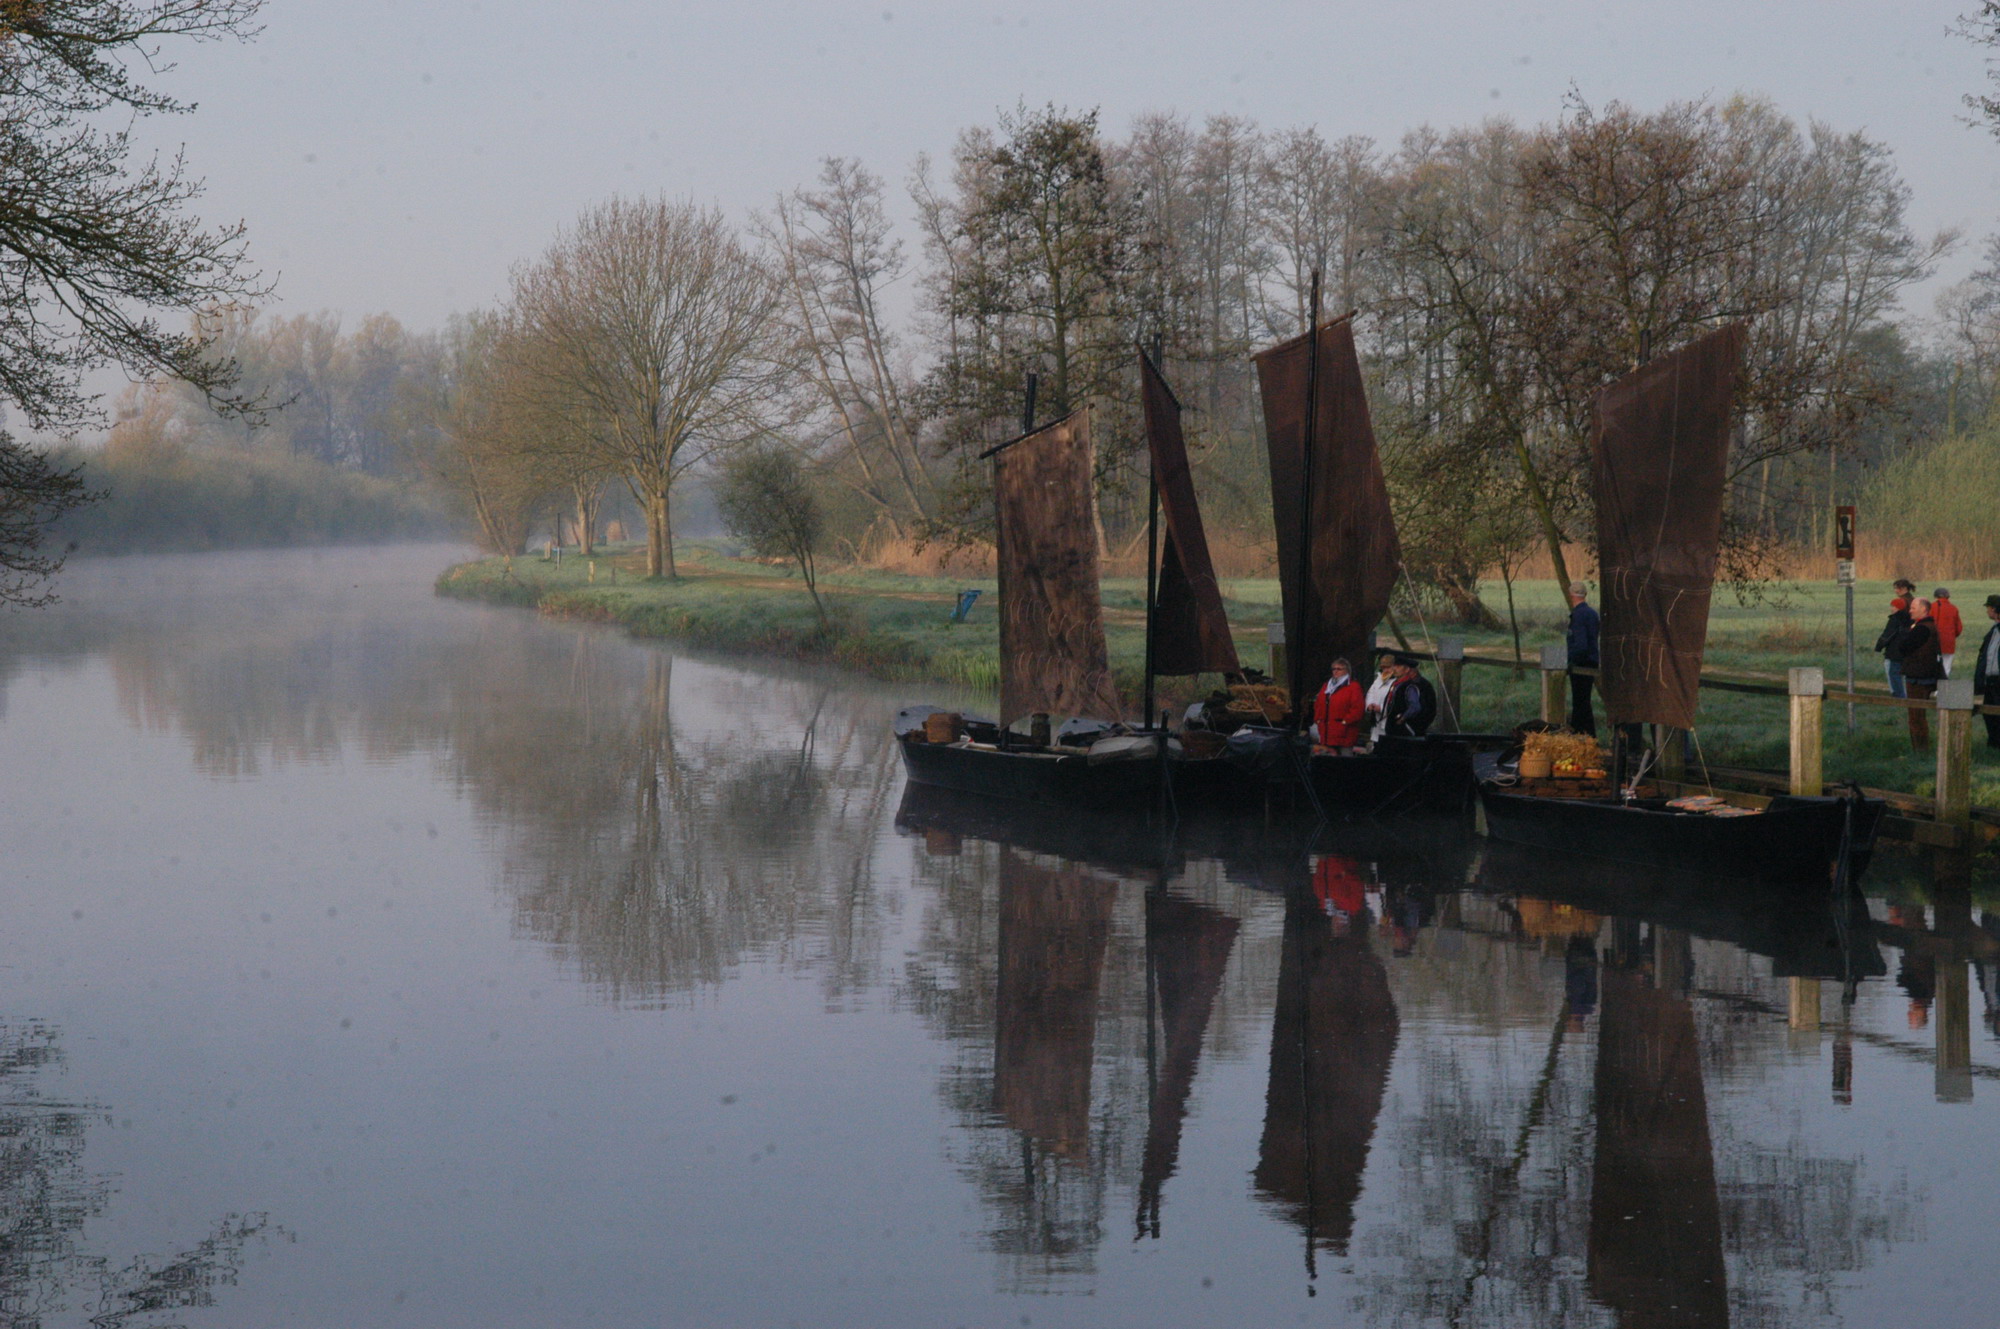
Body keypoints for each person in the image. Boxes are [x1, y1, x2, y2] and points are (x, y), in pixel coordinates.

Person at [1900, 596, 1943, 750]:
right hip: (1925, 675)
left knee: (1915, 716)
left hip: (1918, 677)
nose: (1910, 610)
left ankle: (1920, 749)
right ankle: (1920, 748)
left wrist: (1906, 633)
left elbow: (1904, 647)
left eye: (1913, 607)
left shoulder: (1922, 628)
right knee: (1917, 716)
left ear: (1923, 609)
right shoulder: (1929, 626)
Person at [1565, 581, 1600, 736]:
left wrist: (1570, 662)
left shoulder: (1578, 615)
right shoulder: (1593, 613)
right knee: (1584, 702)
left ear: (1572, 595)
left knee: (1579, 703)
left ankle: (1582, 736)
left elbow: (1580, 645)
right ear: (1585, 595)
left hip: (1581, 664)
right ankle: (1587, 737)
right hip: (1592, 661)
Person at [1310, 657, 1366, 752]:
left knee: (1345, 760)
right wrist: (1318, 719)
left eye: (1339, 669)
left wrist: (1345, 721)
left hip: (1345, 732)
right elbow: (1318, 704)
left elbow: (1357, 709)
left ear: (1347, 671)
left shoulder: (1353, 687)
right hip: (1326, 732)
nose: (1335, 671)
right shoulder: (1326, 686)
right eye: (1334, 669)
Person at [1384, 654, 1437, 738]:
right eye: (1394, 666)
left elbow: (1416, 707)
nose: (1394, 669)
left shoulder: (1412, 686)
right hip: (1393, 728)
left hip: (1405, 728)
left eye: (1398, 666)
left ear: (1407, 670)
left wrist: (1402, 719)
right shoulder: (1397, 684)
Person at [1875, 588, 1913, 699]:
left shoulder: (1895, 619)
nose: (1891, 608)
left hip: (1894, 652)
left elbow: (1887, 635)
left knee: (1894, 675)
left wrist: (1879, 646)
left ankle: (1899, 696)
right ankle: (1908, 695)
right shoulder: (1910, 619)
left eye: (1893, 606)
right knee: (1905, 675)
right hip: (1906, 651)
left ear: (1897, 608)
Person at [1973, 594, 2000, 749]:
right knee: (1989, 715)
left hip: (1998, 680)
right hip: (1990, 681)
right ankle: (1994, 746)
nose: (1987, 611)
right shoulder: (1994, 630)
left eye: (1988, 608)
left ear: (1995, 609)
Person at [1362, 649, 1397, 744]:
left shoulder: (1397, 682)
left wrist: (1381, 707)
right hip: (1376, 723)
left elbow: (1395, 701)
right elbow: (1370, 693)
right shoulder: (1378, 680)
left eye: (1388, 667)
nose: (1385, 670)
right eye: (1383, 667)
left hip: (1388, 722)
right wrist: (1370, 705)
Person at [1934, 587, 1964, 676]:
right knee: (1946, 668)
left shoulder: (1932, 607)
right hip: (1949, 641)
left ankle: (1934, 688)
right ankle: (1944, 687)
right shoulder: (1953, 608)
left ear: (1936, 596)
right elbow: (1959, 628)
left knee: (1935, 666)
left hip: (1935, 641)